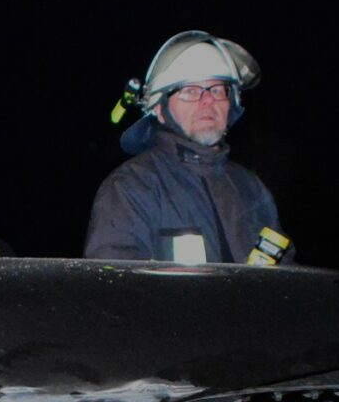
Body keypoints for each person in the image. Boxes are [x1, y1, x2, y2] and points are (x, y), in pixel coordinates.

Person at [85, 30, 294, 268]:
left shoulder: (251, 188)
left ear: (232, 104)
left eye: (218, 89)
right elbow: (115, 281)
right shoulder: (131, 187)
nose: (208, 100)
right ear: (159, 109)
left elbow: (286, 278)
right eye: (190, 91)